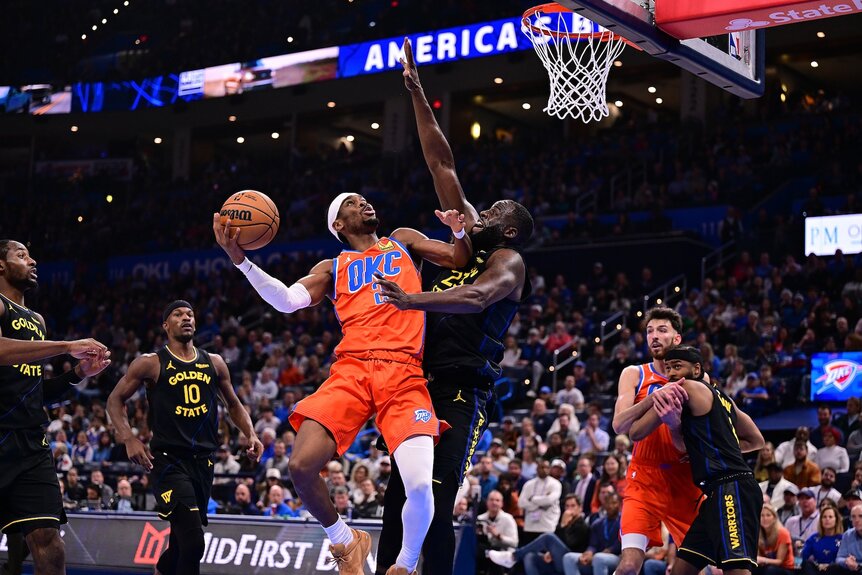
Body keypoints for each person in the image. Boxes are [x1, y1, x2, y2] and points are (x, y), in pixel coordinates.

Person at [214, 190, 472, 575]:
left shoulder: (402, 239)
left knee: (420, 487)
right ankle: (344, 539)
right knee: (301, 465)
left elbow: (458, 258)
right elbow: (287, 300)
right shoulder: (333, 266)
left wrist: (459, 233)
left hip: (403, 371)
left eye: (365, 199)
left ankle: (404, 565)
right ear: (338, 223)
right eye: (353, 202)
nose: (365, 202)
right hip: (352, 370)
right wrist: (241, 260)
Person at [374, 36, 534, 575]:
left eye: (491, 209)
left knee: (439, 501)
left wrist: (413, 299)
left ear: (508, 225)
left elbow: (477, 296)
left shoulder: (508, 258)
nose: (480, 210)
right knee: (398, 497)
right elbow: (441, 161)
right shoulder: (467, 241)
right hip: (420, 383)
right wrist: (419, 93)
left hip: (464, 390)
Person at [106, 301, 263, 575]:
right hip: (168, 461)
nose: (186, 318)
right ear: (166, 325)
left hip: (204, 462)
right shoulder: (150, 363)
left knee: (179, 543)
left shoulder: (214, 362)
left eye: (190, 314)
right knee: (193, 542)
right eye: (178, 314)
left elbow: (234, 404)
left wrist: (250, 433)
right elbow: (114, 400)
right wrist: (128, 438)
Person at [0, 239, 111, 575]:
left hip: (31, 445)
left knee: (50, 542)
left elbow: (34, 391)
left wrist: (78, 373)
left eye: (31, 255)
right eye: (21, 255)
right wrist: (66, 346)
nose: (32, 261)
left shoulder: (37, 320)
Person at [630, 345, 766, 575]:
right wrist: (719, 450)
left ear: (696, 369)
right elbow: (756, 440)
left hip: (731, 487)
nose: (671, 373)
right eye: (668, 367)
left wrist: (653, 400)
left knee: (736, 570)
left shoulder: (685, 388)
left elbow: (635, 432)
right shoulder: (724, 398)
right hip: (716, 492)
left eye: (677, 367)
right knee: (681, 570)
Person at [609, 308, 704, 575]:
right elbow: (619, 425)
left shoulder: (696, 378)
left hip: (685, 481)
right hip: (644, 478)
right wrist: (655, 397)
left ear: (677, 338)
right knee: (628, 566)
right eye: (650, 331)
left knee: (711, 566)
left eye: (662, 330)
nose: (654, 336)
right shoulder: (634, 374)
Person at [488, 493, 590, 575]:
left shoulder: (582, 525)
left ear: (580, 508)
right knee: (530, 556)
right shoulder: (566, 522)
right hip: (557, 560)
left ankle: (513, 556)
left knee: (548, 537)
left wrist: (563, 525)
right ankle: (514, 557)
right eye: (567, 506)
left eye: (573, 506)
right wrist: (550, 552)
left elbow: (569, 544)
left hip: (572, 562)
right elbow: (558, 543)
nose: (569, 509)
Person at [561, 492, 623, 575]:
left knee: (599, 558)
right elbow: (593, 544)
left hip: (617, 557)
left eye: (614, 503)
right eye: (607, 503)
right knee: (568, 557)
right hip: (598, 555)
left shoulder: (624, 522)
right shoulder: (597, 523)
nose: (610, 506)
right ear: (603, 504)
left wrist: (607, 551)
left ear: (619, 505)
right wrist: (589, 553)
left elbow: (620, 544)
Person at [476, 490, 519, 575]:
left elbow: (514, 543)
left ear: (502, 504)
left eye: (497, 500)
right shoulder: (480, 518)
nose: (494, 503)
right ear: (487, 502)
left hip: (503, 552)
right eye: (491, 500)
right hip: (485, 552)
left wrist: (498, 536)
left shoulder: (508, 519)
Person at [799, 505, 843, 575]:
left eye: (830, 517)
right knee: (806, 564)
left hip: (834, 570)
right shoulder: (814, 538)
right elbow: (803, 555)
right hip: (817, 569)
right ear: (821, 520)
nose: (827, 519)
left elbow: (843, 558)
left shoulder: (842, 539)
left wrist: (828, 566)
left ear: (836, 520)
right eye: (824, 517)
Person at [756, 504, 795, 575]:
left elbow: (779, 561)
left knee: (770, 570)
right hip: (767, 566)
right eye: (762, 515)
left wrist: (762, 560)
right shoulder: (758, 533)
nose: (765, 518)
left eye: (768, 515)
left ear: (774, 518)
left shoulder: (783, 533)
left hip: (786, 569)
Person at [833, 504, 862, 575]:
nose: (857, 520)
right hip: (852, 571)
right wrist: (846, 561)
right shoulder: (847, 535)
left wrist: (858, 566)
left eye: (861, 516)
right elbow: (839, 558)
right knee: (833, 568)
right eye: (853, 517)